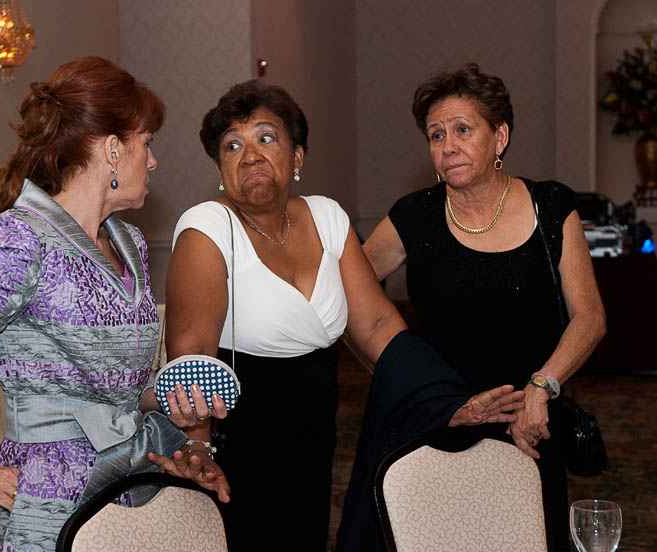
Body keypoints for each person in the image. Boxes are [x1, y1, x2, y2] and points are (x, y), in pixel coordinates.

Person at [0, 57, 227, 552]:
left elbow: (119, 386)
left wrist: (171, 407)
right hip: (51, 495)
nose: (153, 161)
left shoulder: (129, 243)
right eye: (147, 143)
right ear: (111, 149)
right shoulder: (22, 242)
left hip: (135, 480)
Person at [163, 80, 526, 551]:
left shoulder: (328, 218)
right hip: (237, 447)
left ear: (297, 158)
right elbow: (191, 355)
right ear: (219, 168)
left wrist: (443, 398)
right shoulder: (207, 228)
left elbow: (377, 325)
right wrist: (198, 447)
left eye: (266, 138)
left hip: (312, 441)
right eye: (233, 145)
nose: (250, 155)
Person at [352, 63, 606, 551]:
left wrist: (541, 387)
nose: (447, 145)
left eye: (463, 129)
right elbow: (347, 301)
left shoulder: (551, 206)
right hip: (443, 425)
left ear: (500, 136)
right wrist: (405, 383)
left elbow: (590, 317)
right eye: (435, 135)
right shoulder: (414, 216)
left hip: (530, 427)